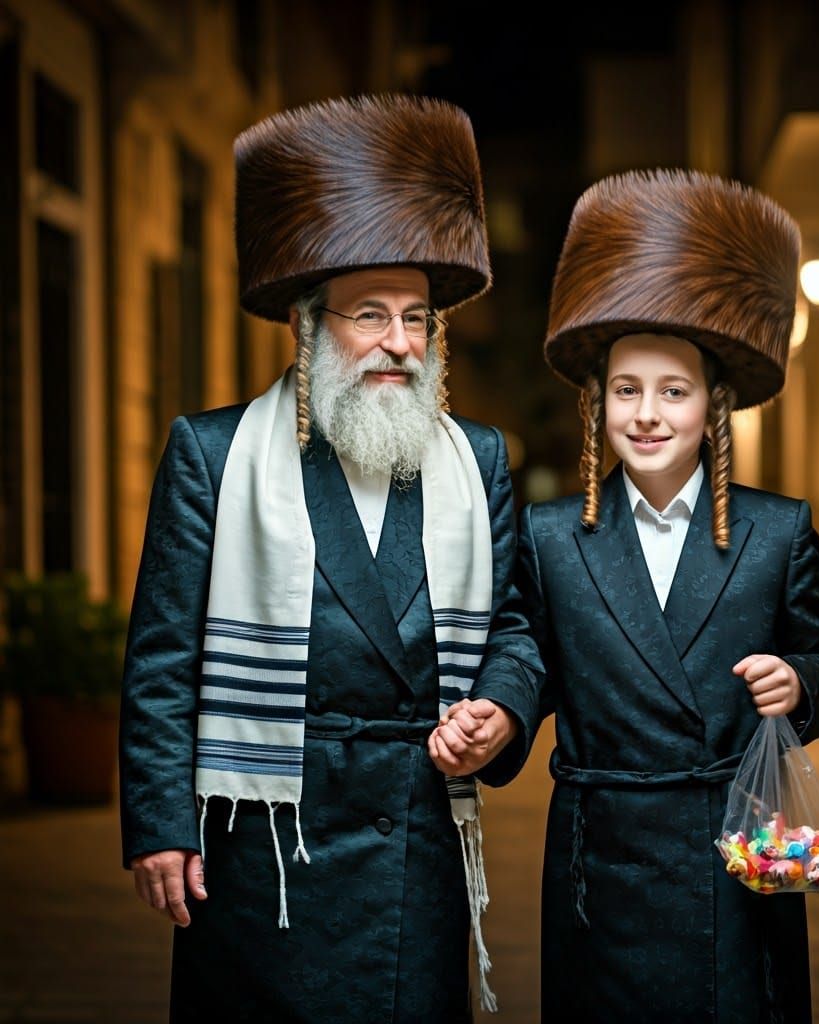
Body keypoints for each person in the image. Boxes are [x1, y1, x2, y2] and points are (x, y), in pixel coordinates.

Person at [119, 94, 544, 1024]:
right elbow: (161, 661)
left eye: (417, 319)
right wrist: (158, 827)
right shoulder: (214, 454)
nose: (398, 342)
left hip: (414, 843)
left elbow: (514, 626)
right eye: (369, 315)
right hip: (265, 848)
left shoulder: (477, 460)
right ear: (311, 328)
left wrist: (504, 713)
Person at [433, 169, 819, 1022]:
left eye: (675, 391)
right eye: (627, 390)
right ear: (599, 406)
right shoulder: (554, 535)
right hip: (603, 859)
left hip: (734, 856)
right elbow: (526, 650)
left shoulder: (777, 531)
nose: (649, 413)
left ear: (714, 406)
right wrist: (501, 711)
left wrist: (801, 683)